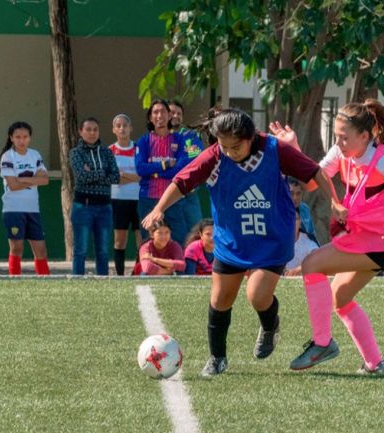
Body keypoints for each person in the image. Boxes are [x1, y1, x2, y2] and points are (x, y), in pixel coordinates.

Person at [141, 108, 339, 377]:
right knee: (221, 299)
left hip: (272, 238)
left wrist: (336, 203)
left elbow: (314, 172)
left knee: (257, 294)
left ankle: (270, 326)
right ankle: (217, 358)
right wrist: (159, 208)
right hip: (232, 239)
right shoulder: (214, 156)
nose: (229, 152)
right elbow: (182, 182)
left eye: (235, 146)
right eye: (224, 146)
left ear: (250, 138)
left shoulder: (273, 149)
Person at [283, 99, 384, 376]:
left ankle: (322, 343)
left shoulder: (383, 159)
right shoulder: (341, 153)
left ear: (364, 136)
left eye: (343, 137)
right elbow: (312, 181)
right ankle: (375, 364)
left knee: (312, 264)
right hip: (367, 238)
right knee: (340, 297)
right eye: (336, 136)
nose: (339, 142)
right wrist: (294, 148)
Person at [0, 121, 50, 276]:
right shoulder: (7, 156)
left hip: (33, 209)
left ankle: (45, 283)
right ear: (11, 138)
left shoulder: (35, 155)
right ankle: (14, 281)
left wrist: (22, 179)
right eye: (18, 137)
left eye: (25, 137)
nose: (22, 140)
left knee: (40, 248)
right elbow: (12, 186)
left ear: (30, 138)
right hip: (13, 209)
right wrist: (34, 179)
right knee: (17, 247)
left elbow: (45, 180)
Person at [135, 100, 191, 245]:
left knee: (179, 240)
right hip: (148, 198)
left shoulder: (180, 140)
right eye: (155, 112)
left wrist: (154, 172)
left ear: (169, 116)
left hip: (173, 198)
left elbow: (180, 169)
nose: (160, 115)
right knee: (149, 242)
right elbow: (140, 168)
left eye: (163, 111)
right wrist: (164, 165)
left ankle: (179, 268)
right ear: (150, 118)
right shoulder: (143, 141)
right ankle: (149, 268)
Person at [70, 117, 120, 275]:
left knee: (103, 251)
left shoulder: (107, 152)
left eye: (95, 129)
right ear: (80, 132)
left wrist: (91, 172)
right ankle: (77, 283)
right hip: (82, 207)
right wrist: (104, 172)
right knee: (80, 250)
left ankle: (103, 283)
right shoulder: (75, 153)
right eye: (88, 129)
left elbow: (116, 177)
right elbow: (81, 177)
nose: (92, 133)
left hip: (105, 207)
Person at [109, 114, 142, 275]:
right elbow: (114, 179)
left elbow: (143, 175)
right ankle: (120, 275)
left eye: (125, 125)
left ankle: (138, 271)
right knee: (120, 240)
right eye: (118, 125)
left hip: (139, 199)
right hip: (118, 200)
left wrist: (124, 175)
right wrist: (133, 177)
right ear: (114, 129)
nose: (122, 128)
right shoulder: (110, 151)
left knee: (141, 239)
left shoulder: (139, 149)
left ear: (131, 128)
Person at [169, 100, 205, 236]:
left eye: (179, 113)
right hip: (166, 194)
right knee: (168, 235)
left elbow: (195, 161)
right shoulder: (159, 137)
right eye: (172, 112)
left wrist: (173, 164)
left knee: (196, 233)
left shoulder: (189, 136)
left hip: (189, 194)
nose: (176, 116)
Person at [284, 211, 319, 277]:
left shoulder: (307, 241)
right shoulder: (276, 240)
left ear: (300, 223)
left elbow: (319, 259)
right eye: (288, 218)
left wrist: (298, 270)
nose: (292, 222)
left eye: (295, 219)